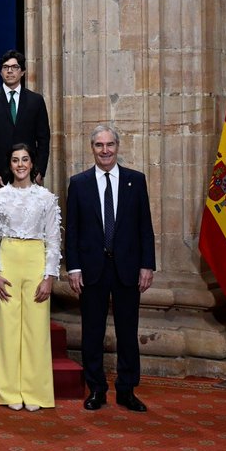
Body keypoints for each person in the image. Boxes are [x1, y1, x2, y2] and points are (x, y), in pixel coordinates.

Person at [65, 125, 155, 413]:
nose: (105, 150)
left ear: (118, 146)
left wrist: (147, 265)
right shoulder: (78, 183)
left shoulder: (135, 181)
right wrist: (74, 268)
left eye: (110, 145)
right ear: (92, 148)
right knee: (92, 332)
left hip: (128, 269)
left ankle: (127, 390)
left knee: (128, 332)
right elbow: (73, 231)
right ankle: (97, 390)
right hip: (92, 270)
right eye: (99, 145)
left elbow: (145, 227)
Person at [0, 143, 60, 411]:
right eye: (15, 160)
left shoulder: (46, 198)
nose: (20, 164)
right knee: (7, 328)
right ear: (10, 164)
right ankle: (8, 392)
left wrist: (49, 276)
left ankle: (35, 392)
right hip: (8, 260)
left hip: (35, 261)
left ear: (31, 164)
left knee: (36, 330)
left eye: (25, 159)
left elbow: (53, 240)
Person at [0, 50, 51, 193]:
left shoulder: (35, 100)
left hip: (29, 173)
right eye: (5, 67)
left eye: (14, 67)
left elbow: (43, 138)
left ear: (22, 72)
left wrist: (40, 171)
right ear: (0, 72)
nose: (10, 71)